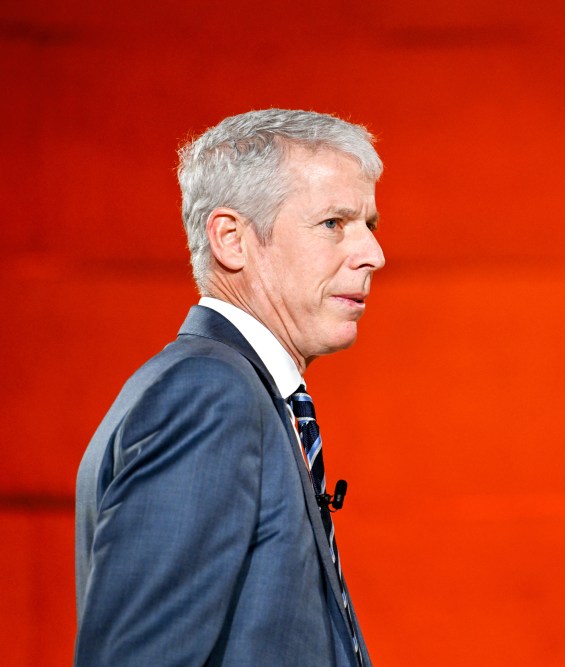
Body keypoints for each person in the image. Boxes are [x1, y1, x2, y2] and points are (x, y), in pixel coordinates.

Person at [74, 109, 386, 666]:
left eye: (370, 225)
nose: (373, 255)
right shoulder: (209, 397)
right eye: (334, 223)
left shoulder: (239, 392)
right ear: (232, 240)